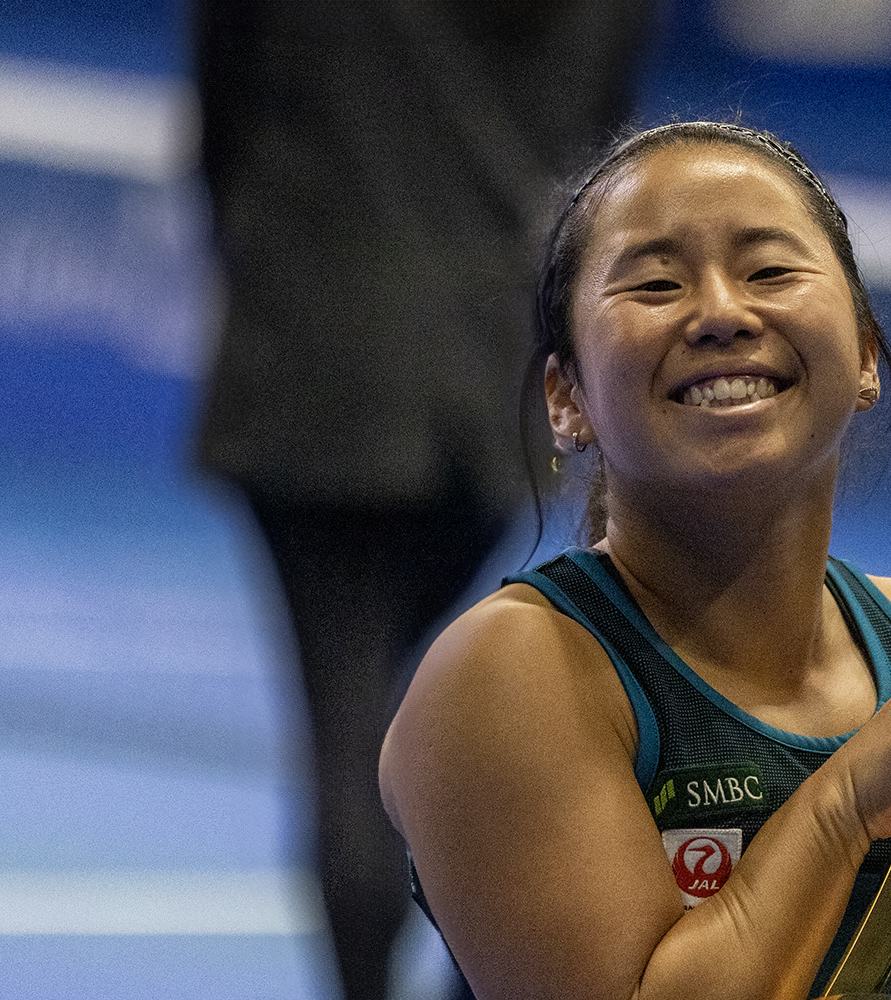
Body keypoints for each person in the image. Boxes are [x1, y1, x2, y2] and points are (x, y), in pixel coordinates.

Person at [379, 122, 891, 1000]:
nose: (722, 313)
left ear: (866, 355)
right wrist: (843, 805)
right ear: (567, 398)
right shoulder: (511, 674)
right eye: (656, 283)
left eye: (769, 271)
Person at [193, 4, 653, 998]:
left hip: (316, 348)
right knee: (397, 713)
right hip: (498, 371)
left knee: (350, 715)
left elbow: (221, 116)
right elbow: (602, 158)